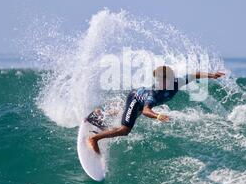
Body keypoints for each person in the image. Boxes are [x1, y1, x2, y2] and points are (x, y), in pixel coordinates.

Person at [88, 66, 225, 154]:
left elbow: (195, 75)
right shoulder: (153, 94)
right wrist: (158, 116)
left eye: (161, 80)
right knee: (125, 130)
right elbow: (147, 110)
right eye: (158, 80)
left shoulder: (178, 82)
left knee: (131, 115)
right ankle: (94, 139)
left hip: (139, 98)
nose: (159, 83)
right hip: (136, 98)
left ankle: (102, 113)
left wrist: (211, 75)